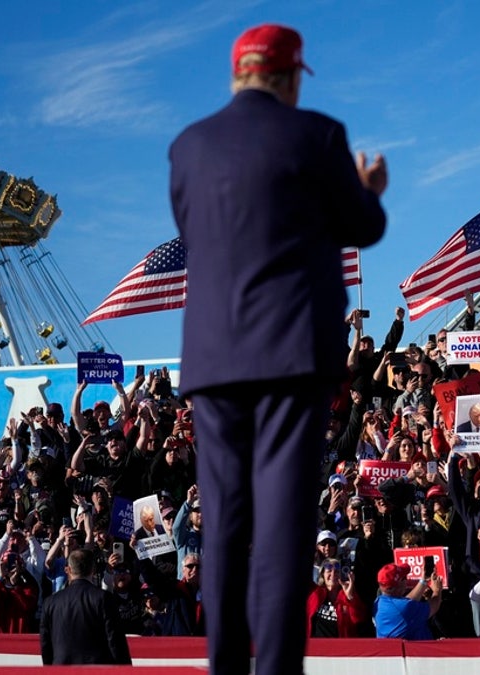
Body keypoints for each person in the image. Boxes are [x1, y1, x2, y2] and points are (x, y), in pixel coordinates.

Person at [169, 23, 386, 675]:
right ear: (291, 77)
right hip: (292, 353)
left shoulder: (187, 146)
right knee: (285, 520)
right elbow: (363, 226)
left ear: (238, 75)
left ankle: (225, 666)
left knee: (226, 519)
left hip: (212, 359)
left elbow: (193, 227)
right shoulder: (316, 135)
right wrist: (368, 187)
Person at [39, 548, 131, 665]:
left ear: (68, 570)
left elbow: (45, 644)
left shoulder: (50, 602)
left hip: (61, 668)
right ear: (93, 570)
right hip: (97, 669)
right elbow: (115, 640)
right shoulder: (103, 598)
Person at [373, 563, 441, 640]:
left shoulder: (379, 602)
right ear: (395, 586)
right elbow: (434, 606)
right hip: (419, 650)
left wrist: (423, 582)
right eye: (404, 578)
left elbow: (406, 602)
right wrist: (437, 589)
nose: (407, 580)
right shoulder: (404, 608)